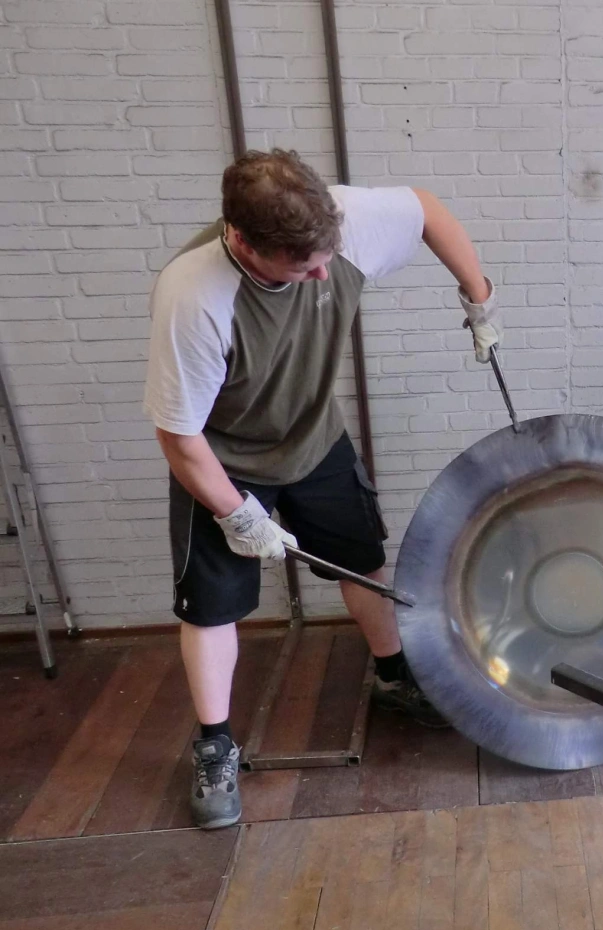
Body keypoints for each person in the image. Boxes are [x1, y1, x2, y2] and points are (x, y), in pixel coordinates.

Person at [144, 148, 500, 829]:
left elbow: (427, 210)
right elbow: (179, 439)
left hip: (312, 437)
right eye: (301, 266)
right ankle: (214, 747)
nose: (320, 274)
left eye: (326, 257)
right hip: (222, 458)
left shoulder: (334, 223)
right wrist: (237, 513)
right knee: (212, 607)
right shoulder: (193, 296)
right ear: (243, 241)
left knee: (361, 559)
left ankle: (393, 677)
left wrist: (478, 296)